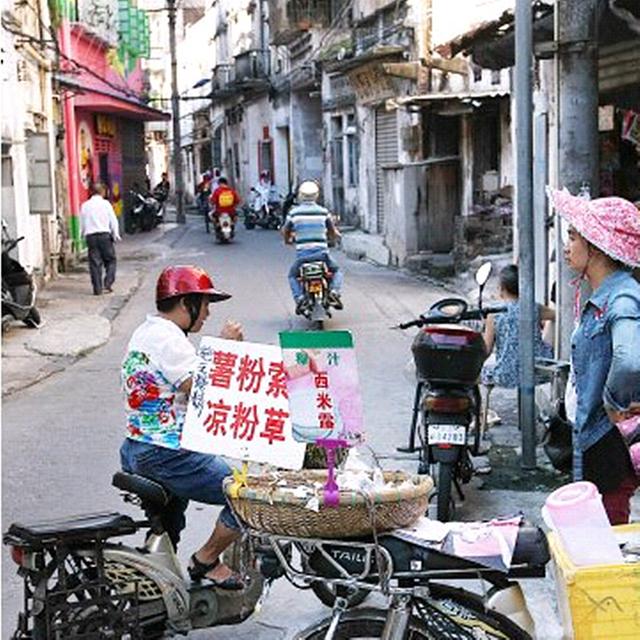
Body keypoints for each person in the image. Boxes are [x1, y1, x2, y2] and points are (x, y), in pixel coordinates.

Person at [120, 265, 245, 588]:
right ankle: (205, 560)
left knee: (169, 524)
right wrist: (224, 348)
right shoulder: (169, 340)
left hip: (137, 448)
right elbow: (203, 391)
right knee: (247, 498)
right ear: (185, 302)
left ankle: (154, 587)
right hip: (167, 454)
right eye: (204, 305)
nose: (206, 314)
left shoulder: (146, 332)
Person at [549, 188, 640, 525]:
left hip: (608, 442)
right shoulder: (607, 294)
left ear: (597, 247)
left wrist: (615, 403)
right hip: (595, 437)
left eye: (573, 237)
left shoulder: (621, 299)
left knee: (605, 538)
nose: (566, 245)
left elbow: (630, 360)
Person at [482, 264, 554, 388]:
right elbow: (556, 315)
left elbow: (486, 351)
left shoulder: (493, 314)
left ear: (501, 288)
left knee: (484, 373)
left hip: (506, 375)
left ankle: (484, 407)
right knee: (550, 321)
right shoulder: (533, 307)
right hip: (537, 371)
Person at [282, 180, 343, 314]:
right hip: (322, 255)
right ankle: (334, 292)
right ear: (316, 195)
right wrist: (332, 239)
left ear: (300, 195)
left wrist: (287, 240)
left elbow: (285, 230)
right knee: (337, 271)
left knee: (292, 276)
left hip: (303, 257)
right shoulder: (323, 212)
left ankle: (300, 298)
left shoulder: (294, 213)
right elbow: (332, 230)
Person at [80, 182, 121, 296]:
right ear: (103, 192)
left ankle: (97, 289)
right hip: (104, 235)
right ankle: (107, 284)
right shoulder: (106, 204)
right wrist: (116, 234)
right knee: (110, 260)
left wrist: (82, 234)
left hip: (91, 237)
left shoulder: (85, 205)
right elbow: (113, 220)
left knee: (94, 263)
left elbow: (82, 222)